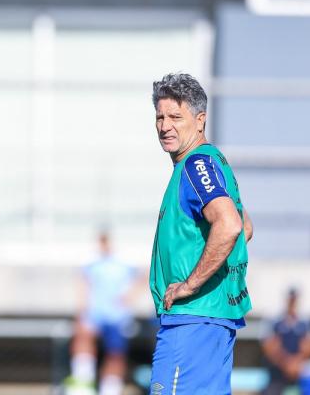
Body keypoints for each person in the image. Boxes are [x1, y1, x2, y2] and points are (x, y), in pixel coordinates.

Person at [148, 73, 254, 394]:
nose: (165, 125)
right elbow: (245, 225)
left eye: (175, 117)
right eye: (160, 116)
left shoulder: (197, 165)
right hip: (211, 322)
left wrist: (190, 284)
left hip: (192, 322)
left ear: (200, 120)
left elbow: (231, 225)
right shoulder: (210, 162)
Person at [66, 231, 140, 395]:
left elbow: (143, 277)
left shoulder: (124, 262)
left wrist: (130, 296)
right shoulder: (91, 262)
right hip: (95, 314)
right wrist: (81, 311)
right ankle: (82, 384)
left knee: (115, 353)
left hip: (117, 317)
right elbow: (83, 284)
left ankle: (110, 389)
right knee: (83, 341)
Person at [261, 288, 310, 395]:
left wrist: (297, 363)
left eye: (294, 299)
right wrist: (286, 363)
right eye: (291, 299)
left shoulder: (305, 322)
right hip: (277, 375)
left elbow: (309, 345)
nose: (292, 302)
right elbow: (269, 346)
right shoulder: (275, 321)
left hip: (299, 374)